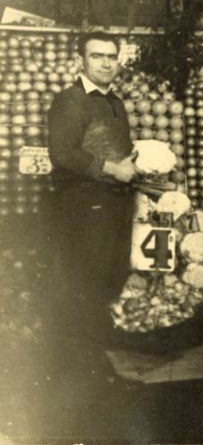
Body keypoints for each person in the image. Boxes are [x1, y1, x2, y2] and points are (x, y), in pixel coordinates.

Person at [45, 31, 137, 378]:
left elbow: (112, 146)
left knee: (110, 277)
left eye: (111, 56)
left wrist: (132, 161)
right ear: (80, 61)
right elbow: (63, 154)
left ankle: (99, 362)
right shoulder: (70, 100)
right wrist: (114, 168)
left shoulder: (114, 102)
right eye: (97, 56)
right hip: (83, 205)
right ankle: (82, 369)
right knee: (85, 281)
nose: (105, 63)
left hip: (114, 201)